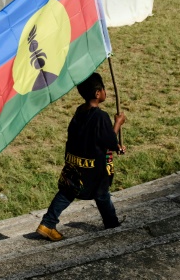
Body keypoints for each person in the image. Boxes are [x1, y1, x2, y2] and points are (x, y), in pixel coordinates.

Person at [36, 72, 127, 241]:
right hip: (94, 168)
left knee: (67, 191)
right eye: (104, 89)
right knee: (102, 194)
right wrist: (117, 124)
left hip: (76, 164)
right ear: (98, 93)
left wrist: (116, 147)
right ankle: (112, 225)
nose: (106, 92)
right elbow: (107, 140)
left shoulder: (80, 111)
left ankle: (47, 224)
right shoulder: (101, 116)